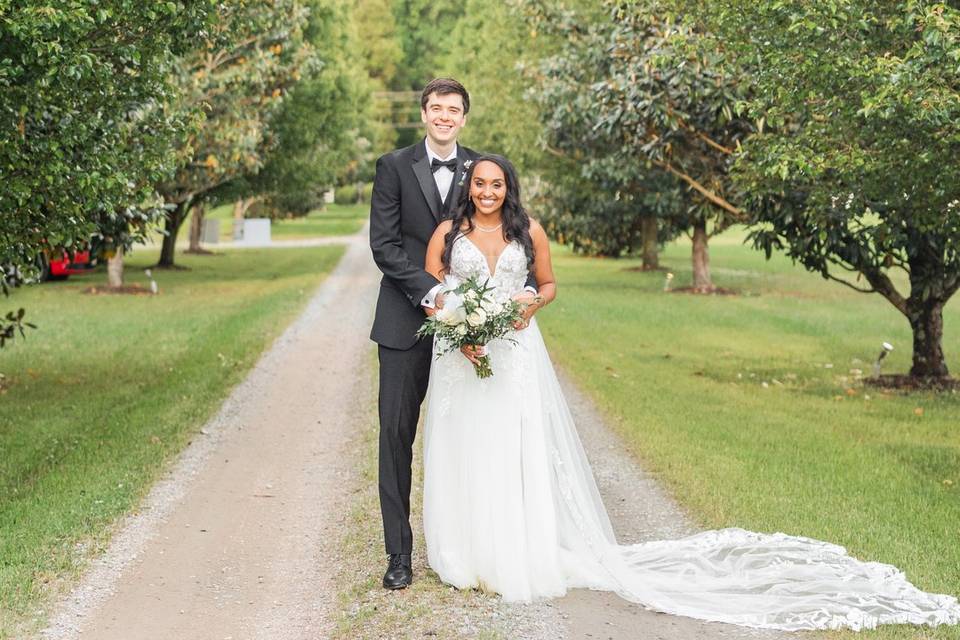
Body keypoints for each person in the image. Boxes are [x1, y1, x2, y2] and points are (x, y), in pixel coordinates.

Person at [419, 154, 960, 631]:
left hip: (516, 356)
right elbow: (432, 292)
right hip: (463, 361)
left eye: (498, 185)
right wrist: (460, 329)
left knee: (515, 451)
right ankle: (468, 554)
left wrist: (529, 304)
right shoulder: (448, 233)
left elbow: (550, 283)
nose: (488, 193)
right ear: (469, 185)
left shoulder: (528, 231)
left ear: (508, 188)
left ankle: (517, 555)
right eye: (480, 184)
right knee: (469, 446)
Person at [369, 78, 536, 590]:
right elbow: (385, 244)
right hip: (406, 322)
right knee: (397, 435)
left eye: (454, 110)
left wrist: (524, 291)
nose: (444, 116)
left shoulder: (484, 169)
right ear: (424, 113)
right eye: (436, 108)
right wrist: (435, 295)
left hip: (476, 332)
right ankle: (399, 553)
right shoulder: (394, 167)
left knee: (476, 436)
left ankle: (477, 545)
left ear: (464, 118)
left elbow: (513, 232)